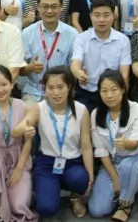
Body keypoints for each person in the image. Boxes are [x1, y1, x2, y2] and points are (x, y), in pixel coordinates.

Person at [15, 67, 93, 218]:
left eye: (60, 87)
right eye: (50, 88)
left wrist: (90, 178)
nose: (56, 93)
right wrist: (24, 129)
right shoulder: (39, 108)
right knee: (46, 208)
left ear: (69, 87)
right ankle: (50, 188)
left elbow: (86, 146)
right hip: (47, 163)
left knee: (80, 180)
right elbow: (16, 131)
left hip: (73, 163)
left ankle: (75, 196)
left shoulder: (81, 110)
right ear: (45, 88)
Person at [88, 70, 138, 221]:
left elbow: (135, 144)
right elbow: (101, 151)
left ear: (123, 89)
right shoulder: (96, 114)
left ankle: (125, 205)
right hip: (112, 163)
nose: (109, 95)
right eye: (104, 91)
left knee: (127, 166)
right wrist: (115, 178)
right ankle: (126, 189)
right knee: (97, 210)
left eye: (114, 89)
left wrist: (126, 143)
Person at [0, 66, 36, 222]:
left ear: (12, 84)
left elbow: (27, 141)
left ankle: (14, 193)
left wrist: (19, 168)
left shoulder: (23, 106)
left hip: (18, 158)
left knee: (19, 206)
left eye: (4, 84)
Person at [71, 0, 132, 111]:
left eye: (106, 15)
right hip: (87, 93)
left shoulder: (123, 40)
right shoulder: (81, 38)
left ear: (114, 16)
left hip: (112, 93)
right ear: (90, 16)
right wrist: (79, 73)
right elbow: (75, 64)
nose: (101, 20)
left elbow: (124, 75)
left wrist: (120, 95)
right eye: (97, 15)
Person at [20, 0, 79, 104]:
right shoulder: (27, 33)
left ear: (61, 7)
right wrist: (30, 68)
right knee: (28, 113)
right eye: (45, 6)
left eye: (54, 6)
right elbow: (20, 70)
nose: (49, 11)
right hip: (34, 91)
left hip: (61, 91)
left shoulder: (72, 34)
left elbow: (74, 67)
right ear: (38, 7)